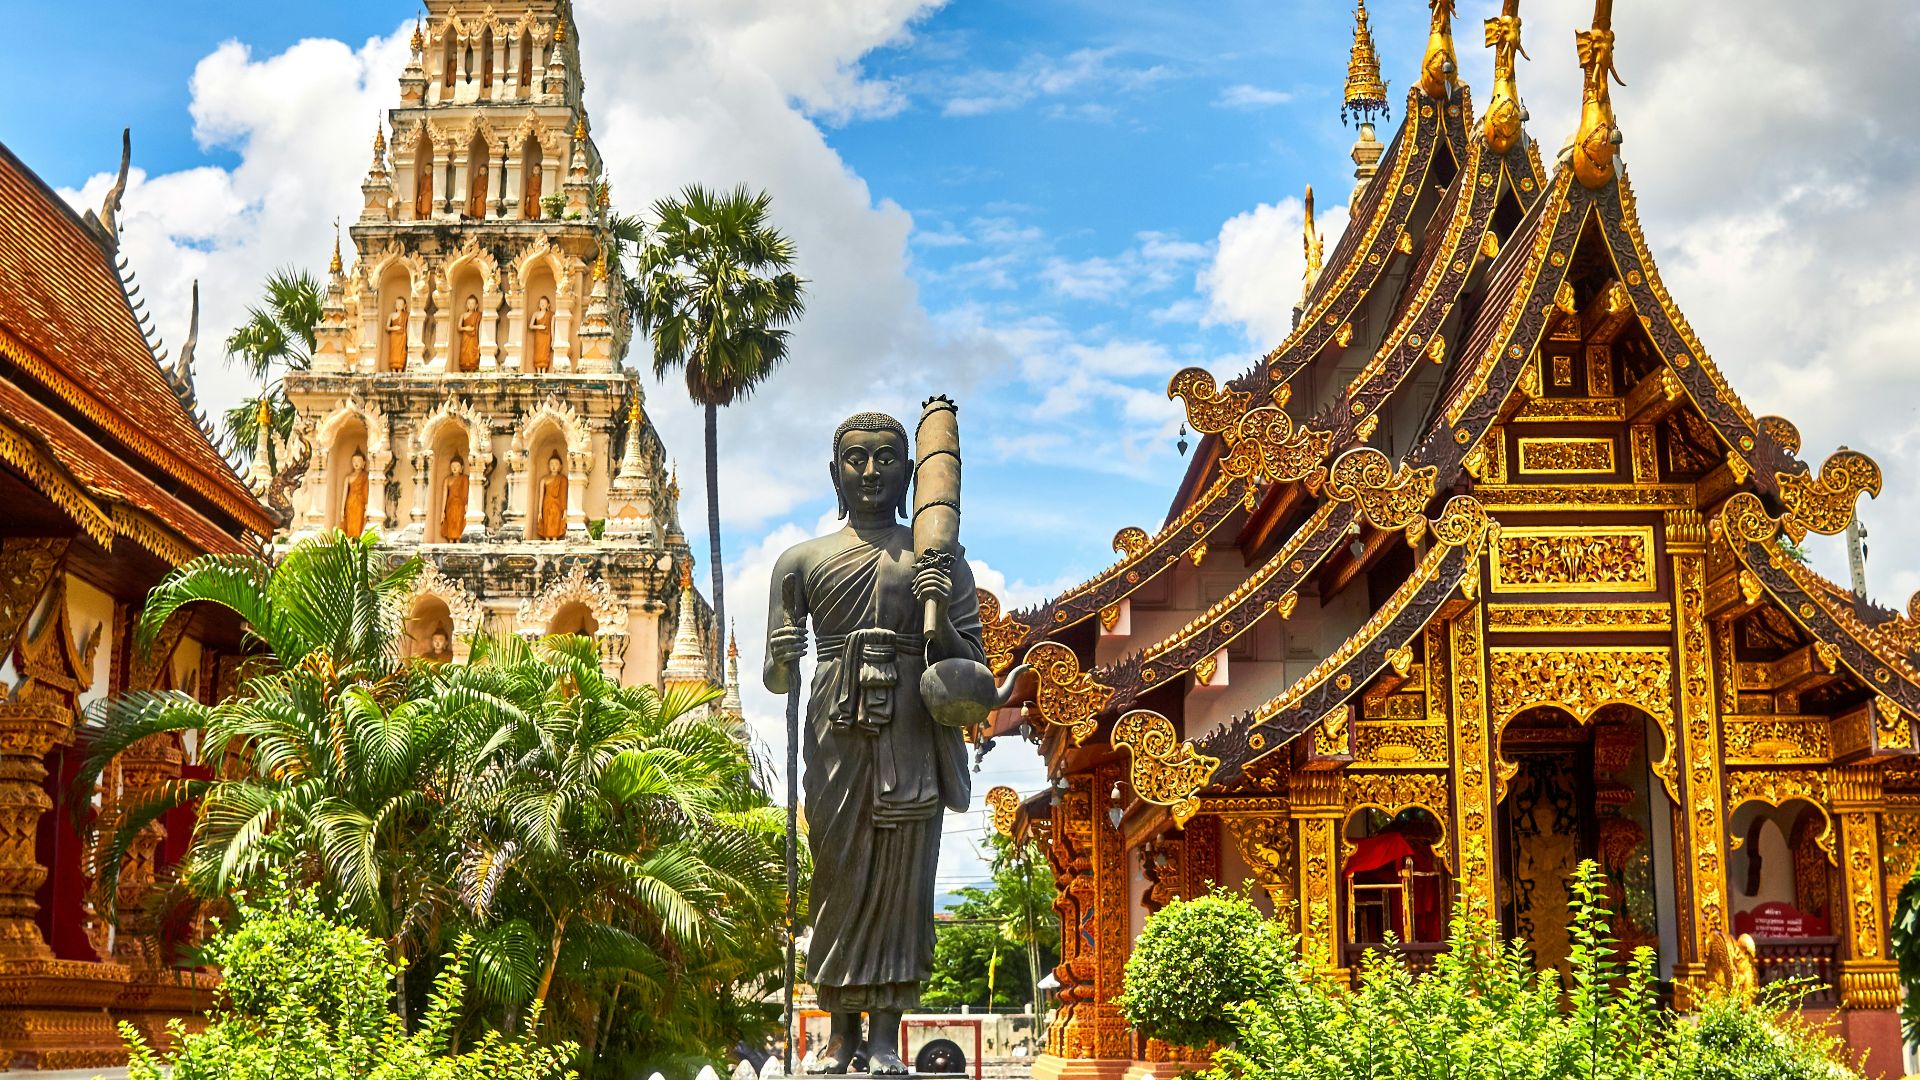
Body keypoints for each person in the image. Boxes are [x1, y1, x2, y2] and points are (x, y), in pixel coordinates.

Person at [764, 412, 981, 1076]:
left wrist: (937, 613)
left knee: (900, 881)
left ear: (910, 474)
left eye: (886, 459)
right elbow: (777, 680)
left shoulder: (937, 563)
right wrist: (782, 654)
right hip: (835, 730)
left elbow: (971, 671)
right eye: (855, 460)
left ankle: (886, 1036)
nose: (869, 473)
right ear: (835, 473)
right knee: (836, 881)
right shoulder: (800, 561)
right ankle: (838, 1036)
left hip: (911, 728)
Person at [536, 452, 567, 539]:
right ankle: (547, 538)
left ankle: (554, 537)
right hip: (547, 503)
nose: (554, 466)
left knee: (555, 520)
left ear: (560, 466)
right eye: (552, 464)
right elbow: (541, 496)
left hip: (557, 504)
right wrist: (539, 511)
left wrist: (564, 510)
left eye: (556, 464)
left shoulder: (562, 479)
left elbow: (563, 495)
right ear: (548, 465)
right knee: (547, 521)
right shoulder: (544, 479)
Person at [340, 450, 370, 535]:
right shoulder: (348, 477)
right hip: (350, 504)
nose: (356, 463)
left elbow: (366, 492)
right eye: (354, 461)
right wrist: (342, 509)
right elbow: (344, 495)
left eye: (359, 461)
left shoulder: (365, 477)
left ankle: (357, 543)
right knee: (350, 525)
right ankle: (350, 542)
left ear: (364, 463)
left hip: (360, 503)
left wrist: (367, 507)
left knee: (359, 524)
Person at [441, 456, 469, 541]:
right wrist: (442, 511)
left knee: (459, 523)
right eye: (452, 466)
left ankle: (458, 541)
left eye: (457, 466)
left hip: (460, 505)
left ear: (462, 468)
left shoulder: (464, 478)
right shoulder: (447, 479)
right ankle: (450, 540)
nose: (454, 468)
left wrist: (466, 506)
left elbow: (466, 493)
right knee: (451, 523)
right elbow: (444, 496)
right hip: (450, 505)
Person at [527, 295, 553, 372]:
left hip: (547, 337)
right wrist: (539, 326)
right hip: (538, 336)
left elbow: (552, 328)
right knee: (538, 353)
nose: (542, 304)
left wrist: (553, 340)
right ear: (539, 304)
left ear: (548, 305)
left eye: (544, 303)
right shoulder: (536, 314)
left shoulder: (551, 315)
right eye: (541, 303)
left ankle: (544, 371)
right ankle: (538, 371)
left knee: (545, 353)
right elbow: (530, 326)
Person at [457, 295, 481, 372]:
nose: (470, 305)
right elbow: (459, 328)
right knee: (464, 352)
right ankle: (464, 368)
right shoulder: (463, 315)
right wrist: (465, 328)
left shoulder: (478, 315)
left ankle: (472, 368)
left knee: (473, 352)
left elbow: (480, 328)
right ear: (466, 305)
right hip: (465, 337)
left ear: (476, 305)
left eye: (472, 303)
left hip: (474, 337)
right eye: (469, 303)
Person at [386, 297, 409, 371]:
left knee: (401, 352)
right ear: (395, 305)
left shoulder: (406, 315)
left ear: (404, 306)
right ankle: (393, 369)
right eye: (397, 303)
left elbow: (407, 326)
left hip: (402, 336)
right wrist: (394, 328)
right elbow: (387, 327)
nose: (399, 305)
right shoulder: (392, 315)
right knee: (394, 352)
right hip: (394, 336)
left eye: (401, 304)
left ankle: (400, 369)